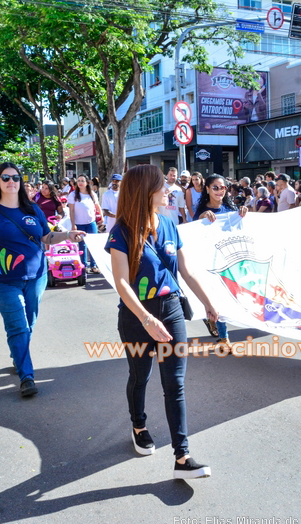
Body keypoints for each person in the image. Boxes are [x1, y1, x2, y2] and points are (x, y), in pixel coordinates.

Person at [106, 166, 219, 478]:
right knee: (140, 376)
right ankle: (138, 425)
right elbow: (121, 282)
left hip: (171, 311)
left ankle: (182, 457)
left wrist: (209, 302)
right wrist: (146, 319)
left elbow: (185, 270)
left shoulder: (170, 224)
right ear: (146, 190)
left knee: (174, 383)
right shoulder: (121, 231)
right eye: (162, 185)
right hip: (137, 316)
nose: (168, 189)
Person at [0, 162, 86, 397]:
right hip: (2, 281)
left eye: (15, 178)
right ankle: (26, 376)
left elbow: (46, 237)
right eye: (6, 178)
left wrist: (69, 235)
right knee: (18, 325)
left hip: (36, 276)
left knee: (28, 323)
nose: (11, 182)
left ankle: (18, 353)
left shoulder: (33, 209)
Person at [194, 174, 249, 347]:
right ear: (207, 189)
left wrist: (243, 213)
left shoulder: (231, 209)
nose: (219, 191)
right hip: (210, 261)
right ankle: (224, 337)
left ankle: (212, 317)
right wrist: (202, 218)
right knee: (217, 297)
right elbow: (194, 233)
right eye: (215, 188)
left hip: (229, 260)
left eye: (223, 187)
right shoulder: (202, 212)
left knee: (229, 296)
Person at [68, 174, 103, 274]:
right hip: (79, 224)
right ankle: (83, 266)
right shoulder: (73, 195)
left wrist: (101, 217)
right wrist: (73, 224)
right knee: (82, 245)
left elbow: (97, 206)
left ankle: (94, 265)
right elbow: (71, 211)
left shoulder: (92, 194)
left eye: (82, 181)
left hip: (91, 223)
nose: (80, 183)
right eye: (78, 180)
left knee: (93, 244)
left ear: (87, 183)